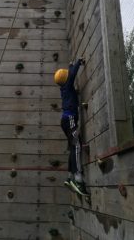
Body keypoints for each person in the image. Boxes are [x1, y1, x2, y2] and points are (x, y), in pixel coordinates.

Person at [54, 58, 88, 196]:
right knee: (77, 145)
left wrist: (70, 64)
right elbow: (72, 74)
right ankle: (78, 179)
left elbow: (69, 76)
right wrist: (78, 62)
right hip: (70, 119)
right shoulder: (67, 85)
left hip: (65, 120)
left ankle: (69, 177)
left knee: (73, 147)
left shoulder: (64, 88)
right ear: (66, 78)